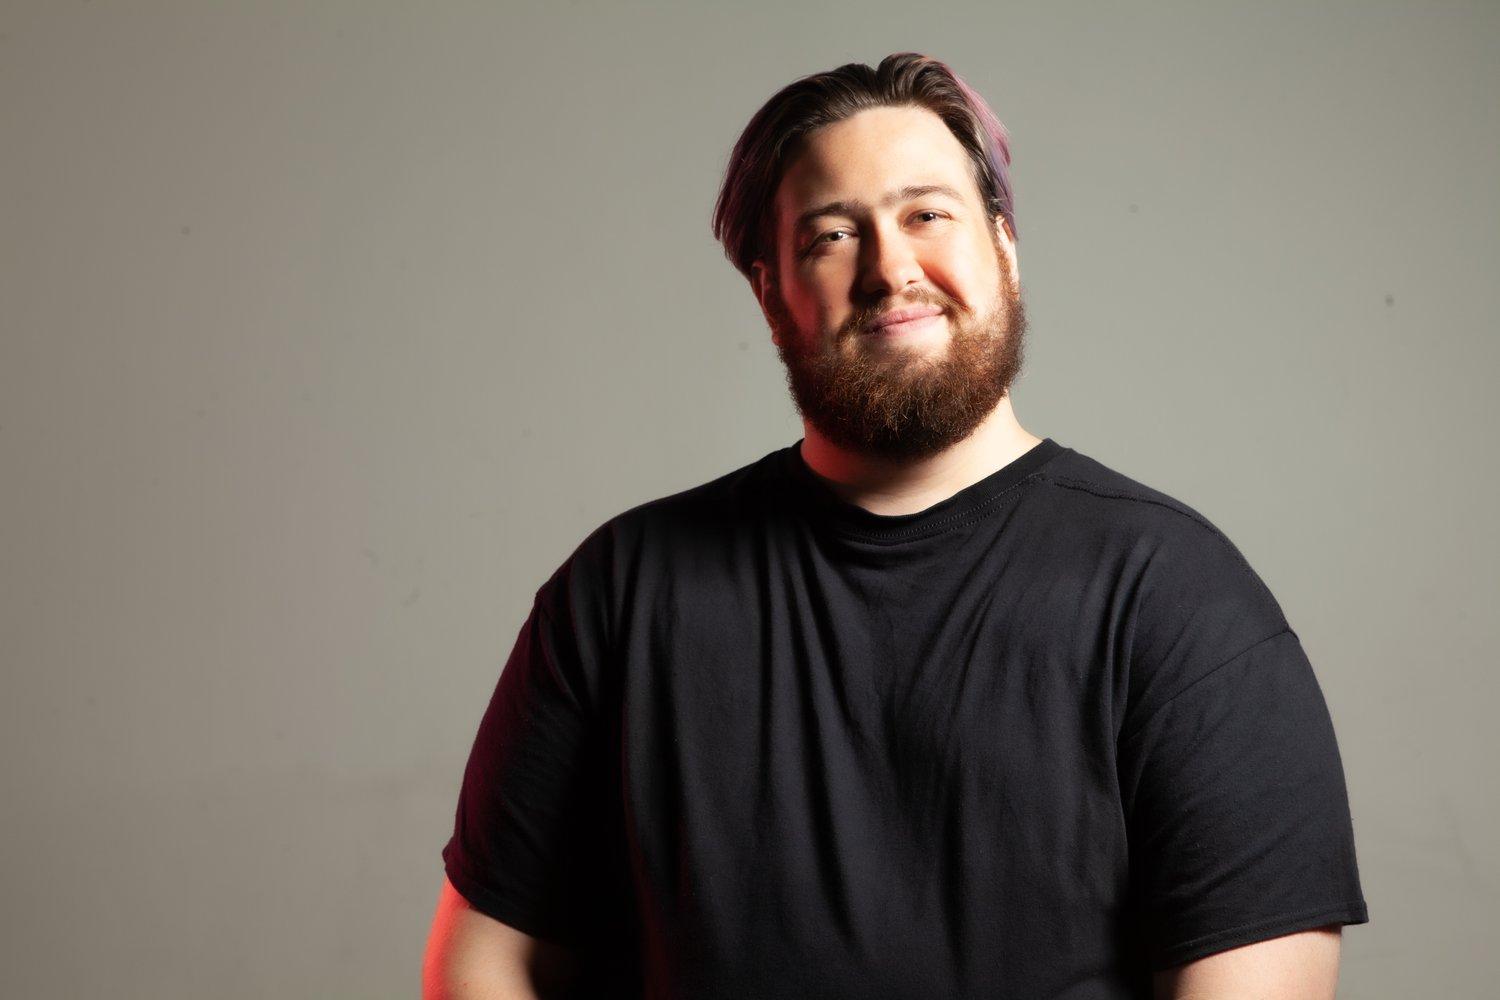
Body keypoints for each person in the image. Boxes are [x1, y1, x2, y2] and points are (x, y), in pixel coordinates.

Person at [422, 52, 1368, 999]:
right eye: (833, 235)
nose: (890, 270)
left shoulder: (1180, 599)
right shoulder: (622, 592)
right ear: (770, 294)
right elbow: (483, 967)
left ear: (1004, 248)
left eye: (927, 215)